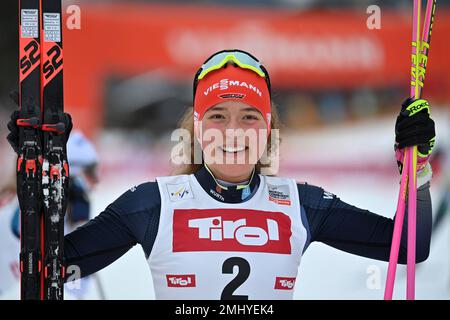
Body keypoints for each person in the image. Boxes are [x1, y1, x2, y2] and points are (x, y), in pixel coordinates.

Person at [7, 49, 436, 299]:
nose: (233, 132)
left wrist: (413, 168)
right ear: (197, 127)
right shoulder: (152, 203)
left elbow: (409, 246)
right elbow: (46, 267)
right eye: (217, 115)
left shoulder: (302, 203)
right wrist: (38, 179)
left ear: (268, 129)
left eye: (249, 116)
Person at [1, 129, 100, 299]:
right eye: (90, 171)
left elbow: (77, 288)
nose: (97, 180)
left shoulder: (61, 212)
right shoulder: (28, 209)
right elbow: (73, 290)